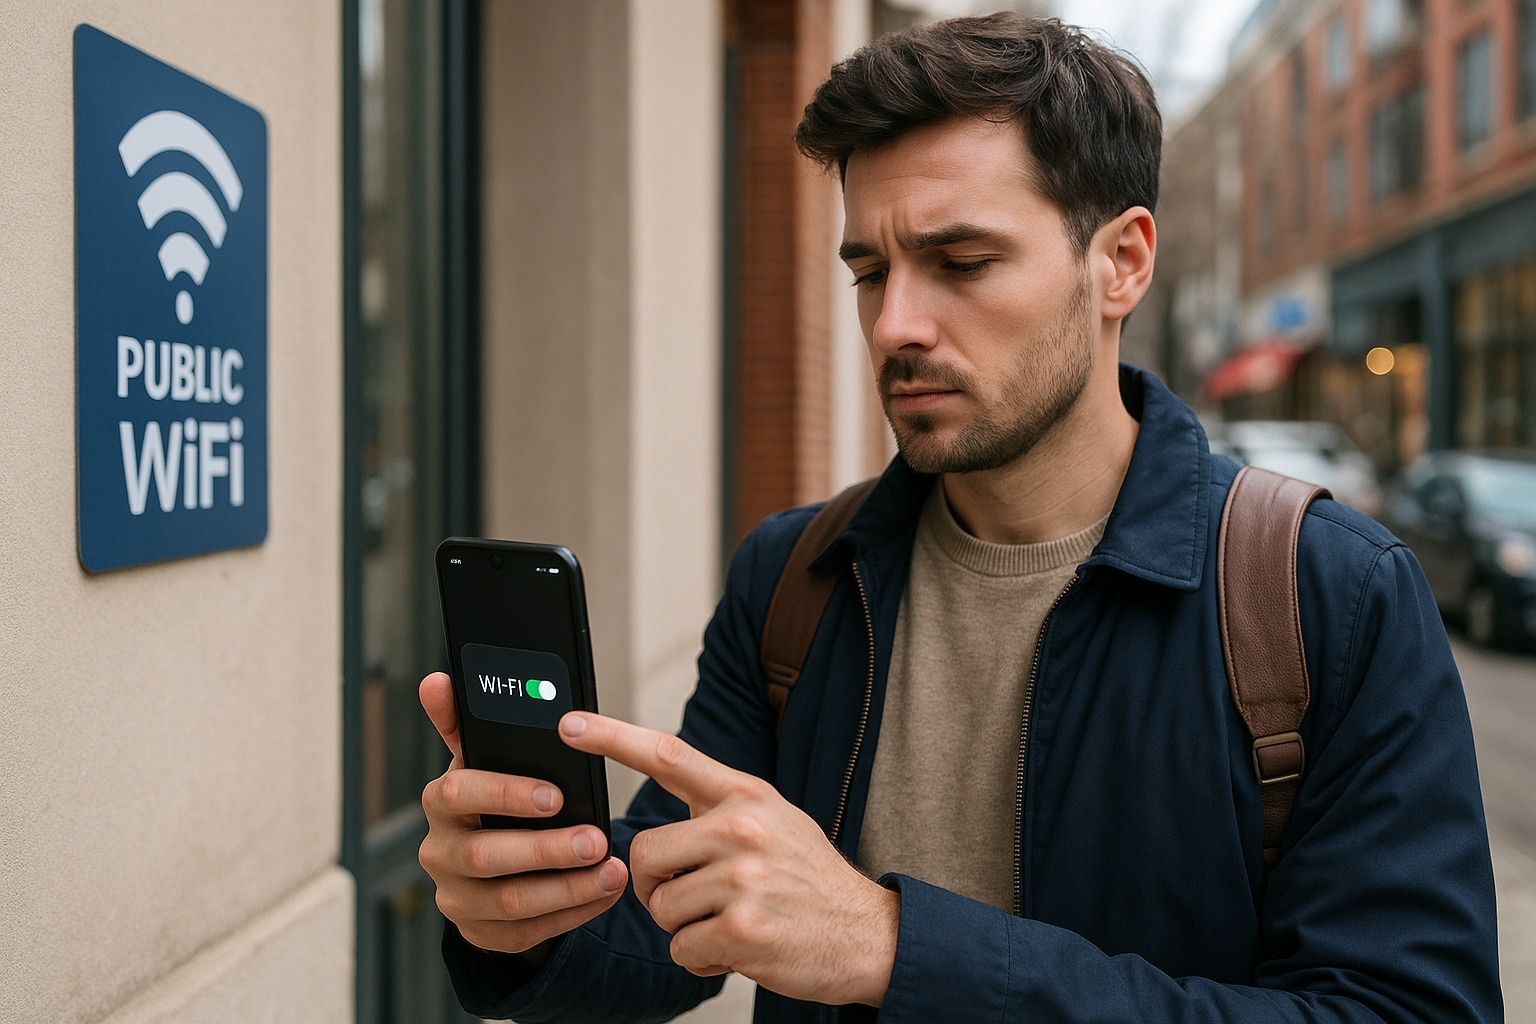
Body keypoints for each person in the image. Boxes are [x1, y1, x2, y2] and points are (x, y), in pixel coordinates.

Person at [418, 13, 1502, 1022]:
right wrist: (525, 917)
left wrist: (895, 943)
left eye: (961, 262)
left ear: (1121, 261)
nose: (896, 324)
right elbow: (661, 930)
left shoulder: (1326, 594)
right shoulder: (795, 577)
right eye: (869, 270)